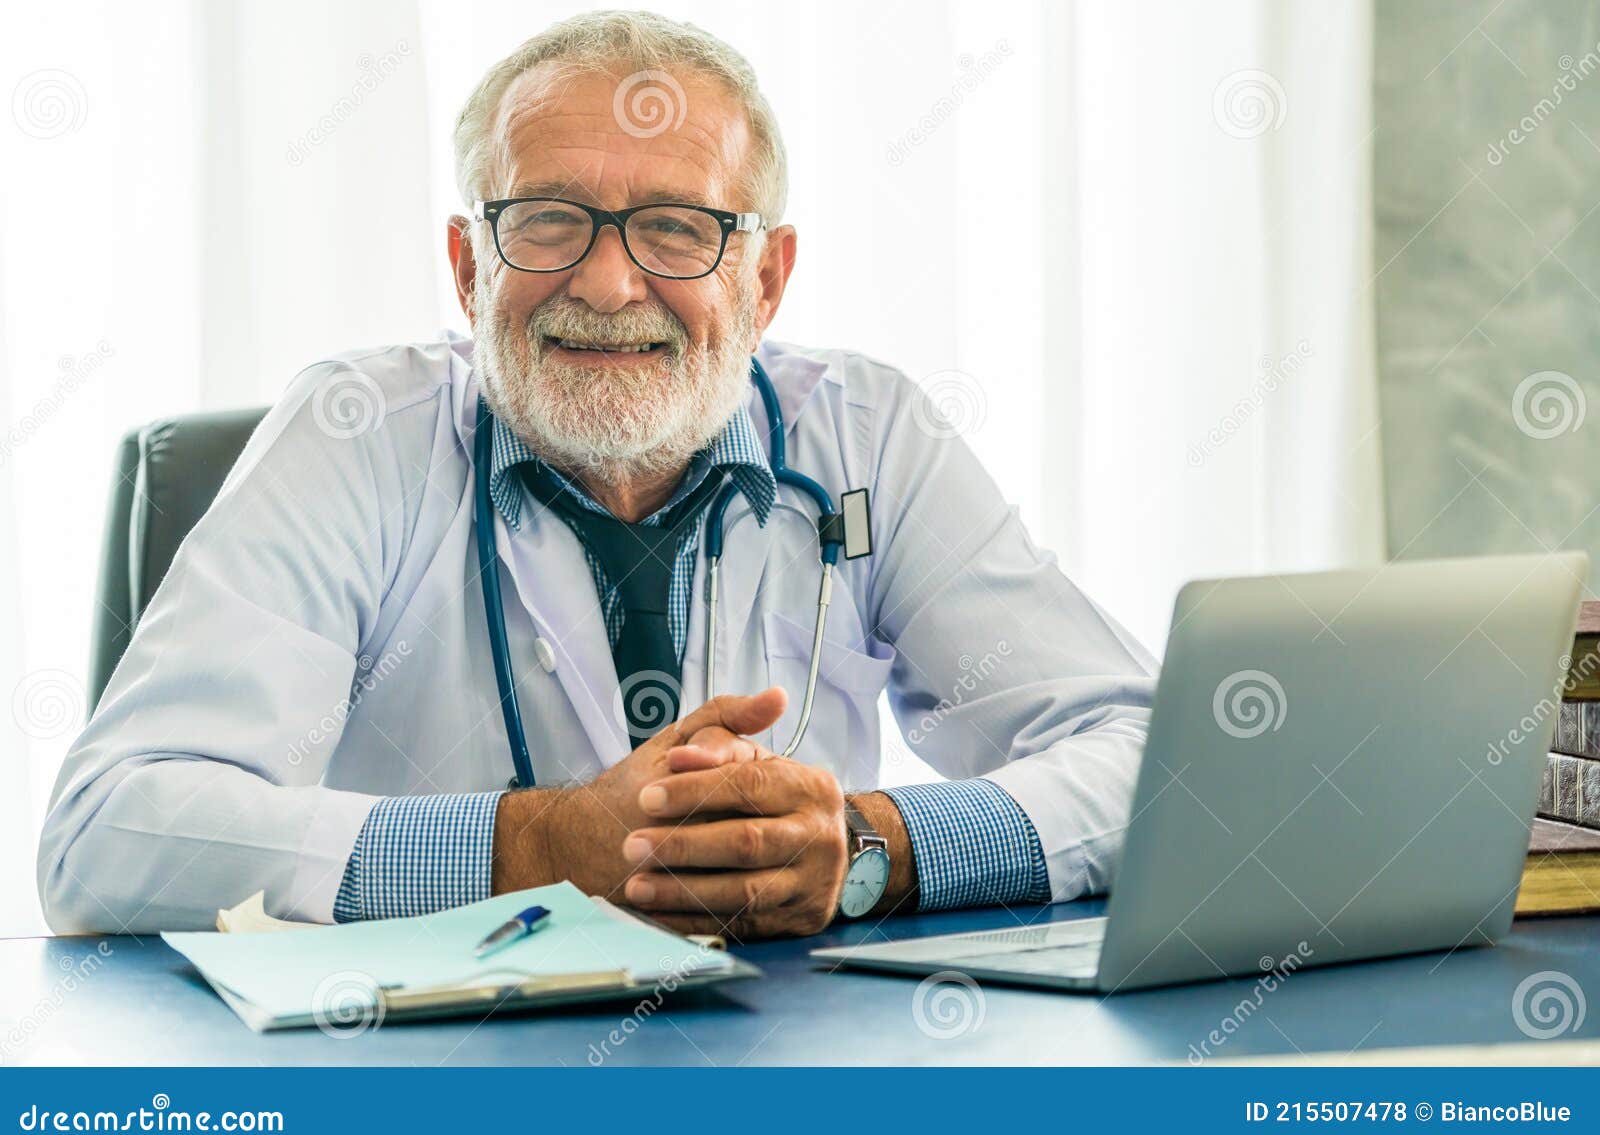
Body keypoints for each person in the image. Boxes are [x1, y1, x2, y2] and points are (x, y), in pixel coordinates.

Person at [37, 10, 1156, 938]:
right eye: (549, 222)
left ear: (765, 279)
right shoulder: (350, 434)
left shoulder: (868, 434)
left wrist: (872, 845)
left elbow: (1151, 760)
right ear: (469, 264)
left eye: (676, 229)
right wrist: (535, 846)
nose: (610, 283)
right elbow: (106, 834)